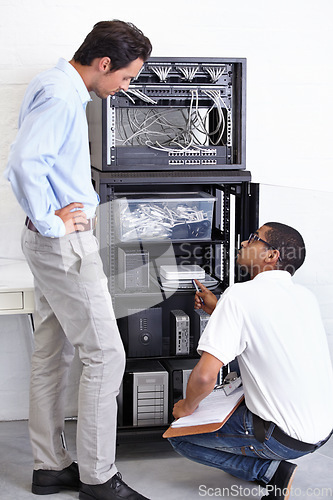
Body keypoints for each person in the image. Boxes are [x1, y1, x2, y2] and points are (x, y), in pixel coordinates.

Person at [5, 20, 152, 500]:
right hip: (63, 246)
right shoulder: (64, 96)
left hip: (47, 246)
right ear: (103, 64)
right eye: (127, 78)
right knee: (107, 356)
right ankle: (98, 476)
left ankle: (51, 467)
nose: (124, 88)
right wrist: (53, 223)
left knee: (54, 352)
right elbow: (24, 163)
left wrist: (48, 225)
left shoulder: (53, 82)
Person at [169, 222, 333, 500]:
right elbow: (266, 332)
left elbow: (206, 377)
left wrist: (187, 406)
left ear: (272, 256)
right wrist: (219, 310)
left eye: (254, 238)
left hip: (284, 438)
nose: (244, 242)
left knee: (179, 437)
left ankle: (271, 473)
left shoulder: (241, 294)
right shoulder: (305, 296)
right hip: (322, 430)